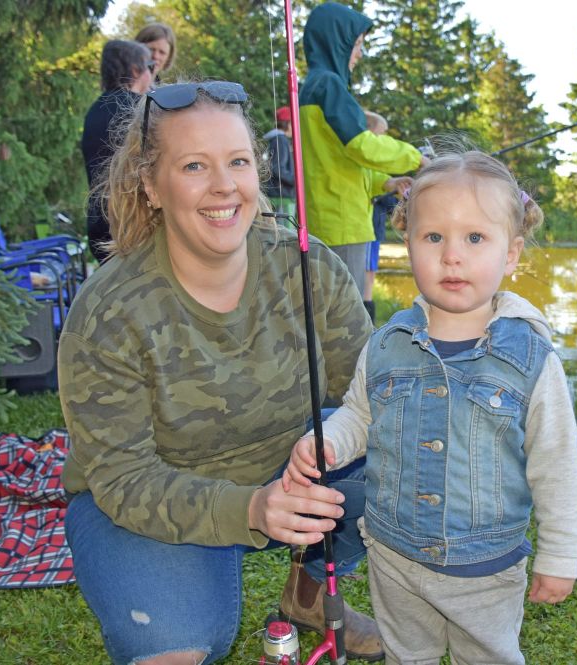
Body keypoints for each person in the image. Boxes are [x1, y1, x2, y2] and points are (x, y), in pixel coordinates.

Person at [59, 81, 385, 664]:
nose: (223, 186)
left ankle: (307, 595)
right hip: (152, 498)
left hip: (291, 473)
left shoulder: (311, 269)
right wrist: (250, 510)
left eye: (237, 161)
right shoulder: (108, 312)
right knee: (172, 644)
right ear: (150, 187)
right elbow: (124, 478)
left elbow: (372, 396)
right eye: (193, 166)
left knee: (402, 460)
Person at [284, 149, 577, 665]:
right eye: (433, 237)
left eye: (474, 238)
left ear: (510, 254)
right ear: (408, 243)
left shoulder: (532, 359)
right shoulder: (386, 342)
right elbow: (359, 412)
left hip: (485, 571)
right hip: (394, 559)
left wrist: (559, 555)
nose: (452, 256)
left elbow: (556, 463)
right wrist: (329, 441)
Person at [299, 1, 427, 295]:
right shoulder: (329, 86)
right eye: (356, 44)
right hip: (343, 225)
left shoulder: (315, 86)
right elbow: (363, 147)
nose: (359, 53)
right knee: (345, 318)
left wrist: (387, 182)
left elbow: (341, 160)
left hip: (332, 220)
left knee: (331, 311)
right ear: (337, 43)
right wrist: (416, 158)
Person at [81, 40, 154, 264]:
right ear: (135, 70)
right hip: (136, 228)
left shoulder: (93, 111)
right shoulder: (141, 110)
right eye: (150, 66)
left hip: (100, 229)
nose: (153, 74)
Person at [362, 110, 404, 322]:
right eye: (383, 133)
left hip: (372, 231)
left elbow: (389, 200)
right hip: (367, 231)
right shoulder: (365, 164)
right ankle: (367, 324)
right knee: (367, 279)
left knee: (369, 276)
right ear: (370, 132)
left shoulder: (371, 167)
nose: (386, 138)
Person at [262, 105, 296, 225]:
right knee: (285, 234)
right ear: (288, 123)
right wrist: (295, 180)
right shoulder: (280, 140)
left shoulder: (275, 139)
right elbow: (277, 168)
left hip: (278, 194)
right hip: (282, 197)